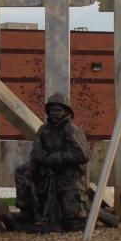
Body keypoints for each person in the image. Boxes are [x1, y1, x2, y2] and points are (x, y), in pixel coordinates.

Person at [19, 92, 91, 232]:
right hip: (47, 175)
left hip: (69, 178)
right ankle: (25, 209)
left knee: (71, 221)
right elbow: (36, 152)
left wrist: (54, 158)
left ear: (67, 112)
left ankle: (95, 213)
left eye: (59, 110)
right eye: (53, 110)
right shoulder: (43, 130)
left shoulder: (71, 129)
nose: (56, 113)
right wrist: (40, 160)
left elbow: (82, 154)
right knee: (22, 171)